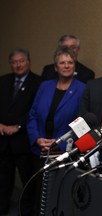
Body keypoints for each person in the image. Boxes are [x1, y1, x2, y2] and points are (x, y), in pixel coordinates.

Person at [0, 48, 41, 215]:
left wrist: (17, 126)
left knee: (27, 180)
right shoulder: (2, 81)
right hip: (2, 140)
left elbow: (36, 110)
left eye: (21, 61)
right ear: (10, 64)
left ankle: (26, 211)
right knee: (3, 179)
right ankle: (2, 208)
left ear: (28, 62)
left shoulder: (39, 83)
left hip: (24, 141)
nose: (18, 65)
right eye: (14, 62)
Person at [27, 47, 86, 156]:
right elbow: (33, 116)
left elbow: (83, 125)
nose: (67, 66)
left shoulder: (83, 89)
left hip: (65, 152)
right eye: (62, 63)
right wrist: (37, 139)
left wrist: (59, 143)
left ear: (74, 66)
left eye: (70, 62)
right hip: (40, 150)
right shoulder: (45, 86)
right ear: (55, 67)